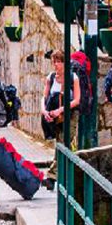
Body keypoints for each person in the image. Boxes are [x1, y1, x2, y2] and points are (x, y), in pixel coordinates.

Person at [40, 51, 80, 186]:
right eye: (54, 61)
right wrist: (44, 111)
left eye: (59, 61)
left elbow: (77, 100)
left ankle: (52, 176)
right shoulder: (51, 77)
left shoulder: (72, 77)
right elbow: (44, 97)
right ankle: (65, 175)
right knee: (60, 144)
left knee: (63, 144)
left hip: (69, 116)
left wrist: (61, 109)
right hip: (55, 118)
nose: (56, 64)